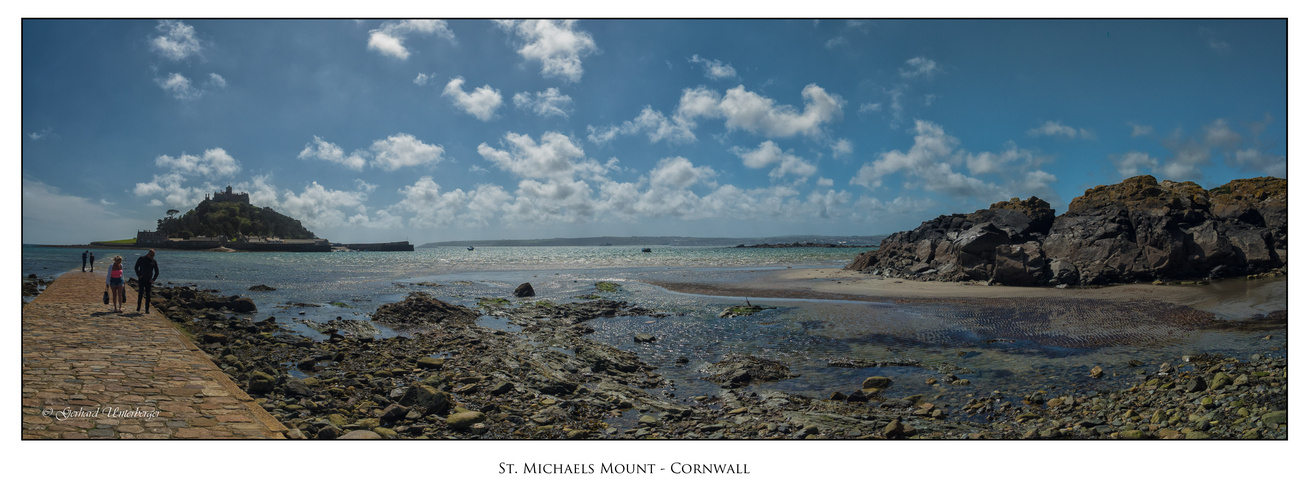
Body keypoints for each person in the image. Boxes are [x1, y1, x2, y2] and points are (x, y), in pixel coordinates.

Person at [134, 249, 159, 314]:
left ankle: (147, 309)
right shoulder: (141, 258)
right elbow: (136, 267)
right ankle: (138, 307)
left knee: (148, 295)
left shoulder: (154, 261)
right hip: (142, 279)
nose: (152, 256)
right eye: (151, 255)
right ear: (148, 253)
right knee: (140, 293)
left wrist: (153, 279)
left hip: (149, 280)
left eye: (153, 255)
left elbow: (157, 271)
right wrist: (139, 275)